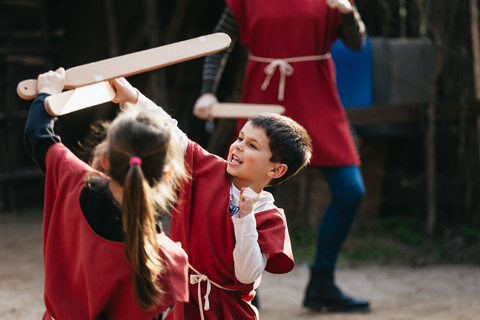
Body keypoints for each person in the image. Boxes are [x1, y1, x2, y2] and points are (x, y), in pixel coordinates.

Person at [192, 0, 370, 313]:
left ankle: (322, 283)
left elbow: (357, 44)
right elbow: (220, 40)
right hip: (264, 101)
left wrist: (346, 10)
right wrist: (208, 89)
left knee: (350, 189)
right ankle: (243, 285)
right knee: (239, 194)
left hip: (318, 98)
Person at [111, 77, 313, 319]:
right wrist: (134, 97)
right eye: (240, 138)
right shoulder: (206, 168)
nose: (237, 146)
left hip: (228, 311)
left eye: (252, 146)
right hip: (183, 300)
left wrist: (245, 218)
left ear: (276, 170)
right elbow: (170, 131)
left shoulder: (269, 217)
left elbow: (247, 276)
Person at [24, 68, 189, 320]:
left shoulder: (73, 179)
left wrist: (46, 95)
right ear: (167, 175)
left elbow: (37, 133)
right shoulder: (167, 257)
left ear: (105, 159)